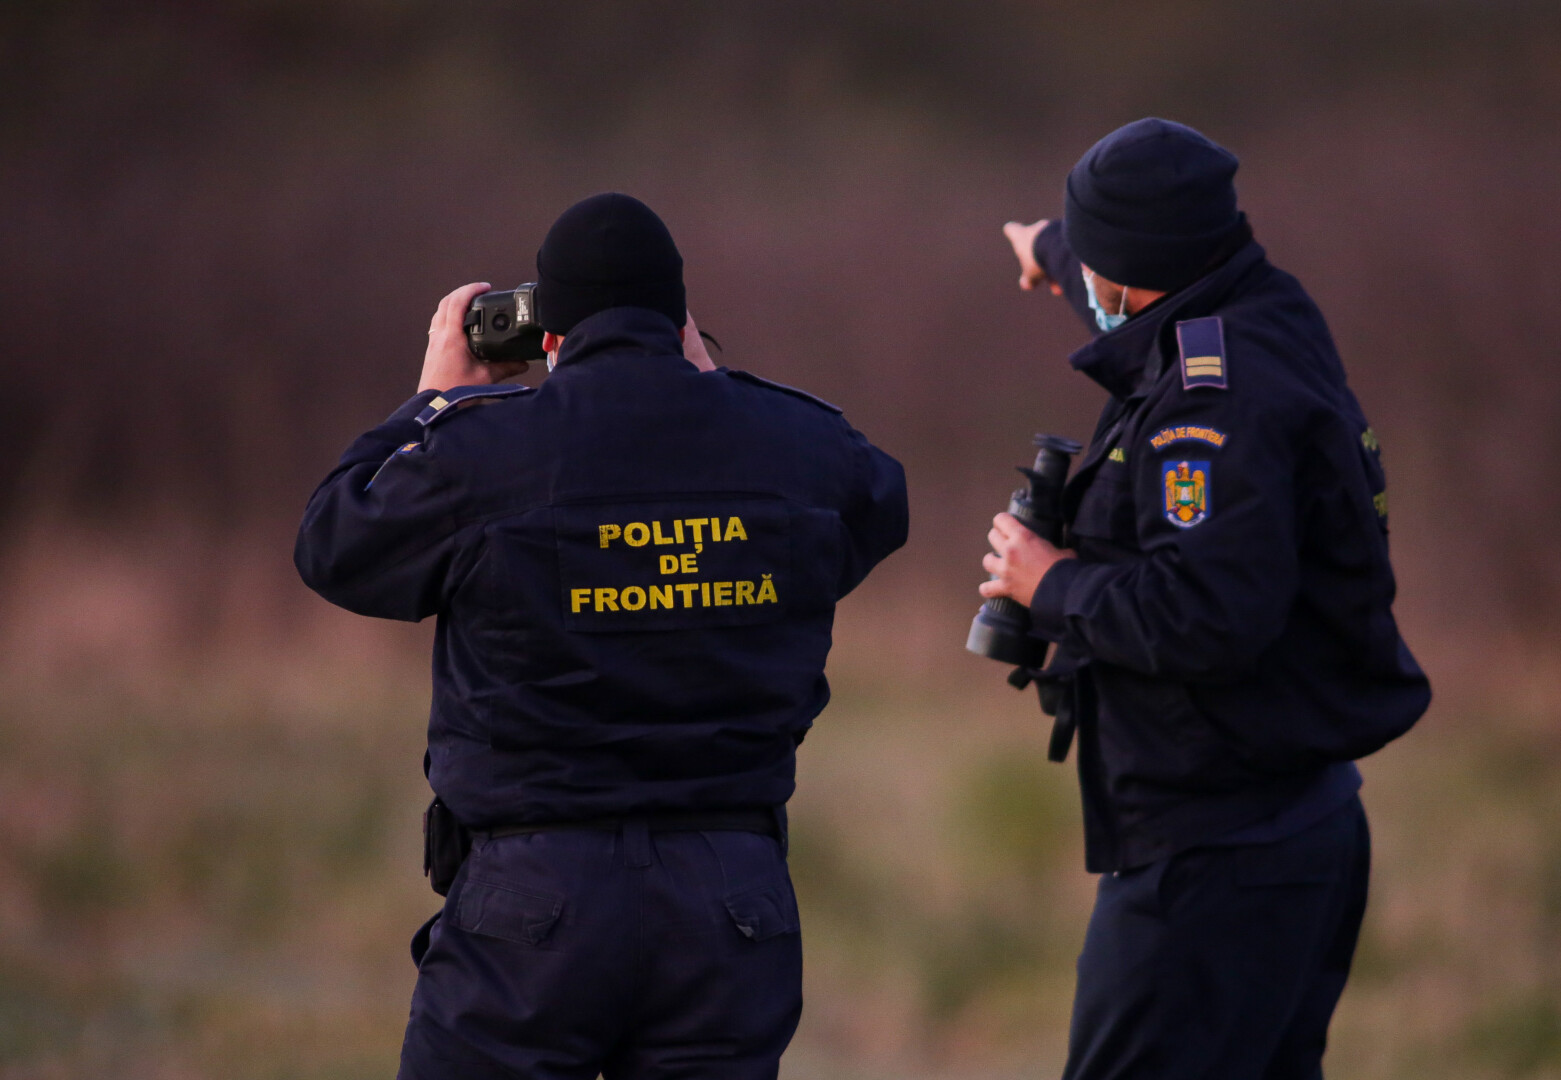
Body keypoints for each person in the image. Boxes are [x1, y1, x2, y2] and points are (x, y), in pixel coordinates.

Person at [295, 192, 909, 1080]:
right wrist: (712, 395)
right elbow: (874, 507)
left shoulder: (483, 453)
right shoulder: (800, 447)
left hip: (533, 905)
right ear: (679, 319)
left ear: (547, 334)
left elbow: (332, 544)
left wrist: (430, 402)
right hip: (730, 904)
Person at [985, 119, 1430, 1079]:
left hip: (1212, 864)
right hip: (1296, 825)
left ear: (1136, 279)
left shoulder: (1210, 406)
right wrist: (1049, 252)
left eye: (1095, 266)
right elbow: (1124, 301)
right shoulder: (1262, 310)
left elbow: (1209, 612)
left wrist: (1049, 583)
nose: (1089, 289)